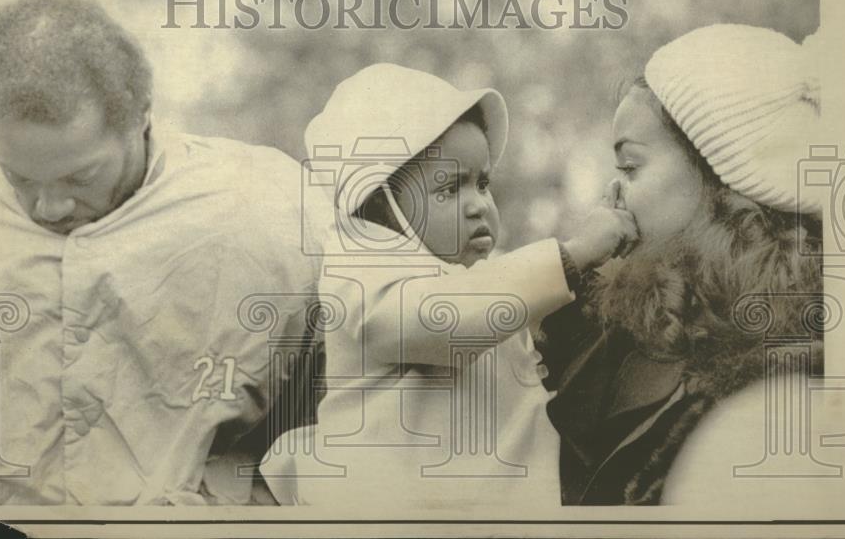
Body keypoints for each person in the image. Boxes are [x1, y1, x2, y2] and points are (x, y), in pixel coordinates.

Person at [0, 0, 330, 505]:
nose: (50, 207)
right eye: (18, 176)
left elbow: (355, 396)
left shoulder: (271, 208)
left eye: (81, 176)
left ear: (141, 117)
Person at [260, 63, 637, 507]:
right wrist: (572, 255)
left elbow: (518, 311)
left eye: (483, 182)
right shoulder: (361, 272)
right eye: (450, 189)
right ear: (382, 207)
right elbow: (448, 320)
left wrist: (603, 262)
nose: (479, 204)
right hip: (387, 512)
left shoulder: (482, 277)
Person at [541, 24, 826, 506]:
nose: (612, 196)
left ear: (719, 173)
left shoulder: (800, 362)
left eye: (630, 168)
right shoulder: (605, 320)